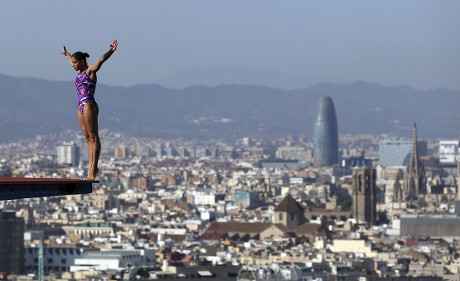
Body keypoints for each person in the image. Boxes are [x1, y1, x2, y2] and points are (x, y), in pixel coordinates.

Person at [61, 40, 118, 180]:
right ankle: (92, 166)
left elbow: (101, 60)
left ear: (82, 61)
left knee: (93, 136)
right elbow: (71, 61)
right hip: (80, 105)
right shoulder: (78, 69)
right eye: (72, 63)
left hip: (88, 104)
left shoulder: (90, 71)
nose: (72, 65)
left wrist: (111, 51)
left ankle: (93, 168)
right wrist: (67, 54)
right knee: (87, 138)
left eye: (75, 63)